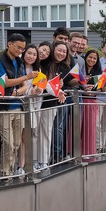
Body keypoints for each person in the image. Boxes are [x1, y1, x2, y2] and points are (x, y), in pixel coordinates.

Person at [0, 33, 32, 177]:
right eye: (18, 48)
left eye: (22, 49)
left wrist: (16, 93)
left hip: (18, 106)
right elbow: (5, 82)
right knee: (7, 142)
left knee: (16, 143)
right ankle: (5, 172)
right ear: (9, 44)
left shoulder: (19, 62)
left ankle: (11, 168)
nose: (21, 51)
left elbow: (24, 87)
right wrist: (25, 78)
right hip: (4, 107)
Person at [39, 41, 76, 169]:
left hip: (52, 102)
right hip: (37, 102)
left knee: (48, 132)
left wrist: (60, 87)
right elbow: (43, 81)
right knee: (34, 134)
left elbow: (65, 83)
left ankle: (45, 160)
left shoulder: (65, 67)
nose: (61, 53)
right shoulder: (43, 63)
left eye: (64, 52)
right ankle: (34, 161)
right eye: (59, 50)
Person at [20, 45, 42, 171]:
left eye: (34, 54)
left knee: (26, 136)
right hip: (19, 104)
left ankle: (24, 164)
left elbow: (40, 87)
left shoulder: (37, 70)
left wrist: (38, 90)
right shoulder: (19, 67)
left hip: (31, 105)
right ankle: (19, 165)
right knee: (19, 138)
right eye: (29, 53)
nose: (31, 56)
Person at [80, 49, 103, 156]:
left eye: (94, 58)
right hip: (80, 99)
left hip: (92, 101)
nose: (92, 60)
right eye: (90, 57)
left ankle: (89, 151)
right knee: (78, 126)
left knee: (90, 128)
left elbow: (101, 89)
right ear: (86, 57)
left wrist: (94, 91)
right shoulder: (81, 68)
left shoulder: (98, 72)